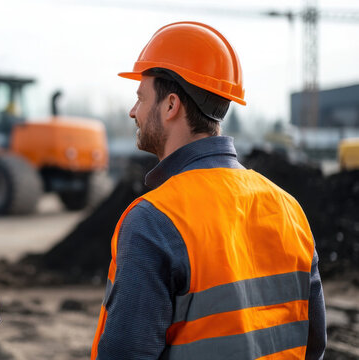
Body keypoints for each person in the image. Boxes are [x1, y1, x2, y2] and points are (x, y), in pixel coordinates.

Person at [90, 21, 326, 359]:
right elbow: (313, 342)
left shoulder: (155, 220)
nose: (133, 111)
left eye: (140, 98)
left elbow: (125, 352)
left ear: (171, 106)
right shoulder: (289, 208)